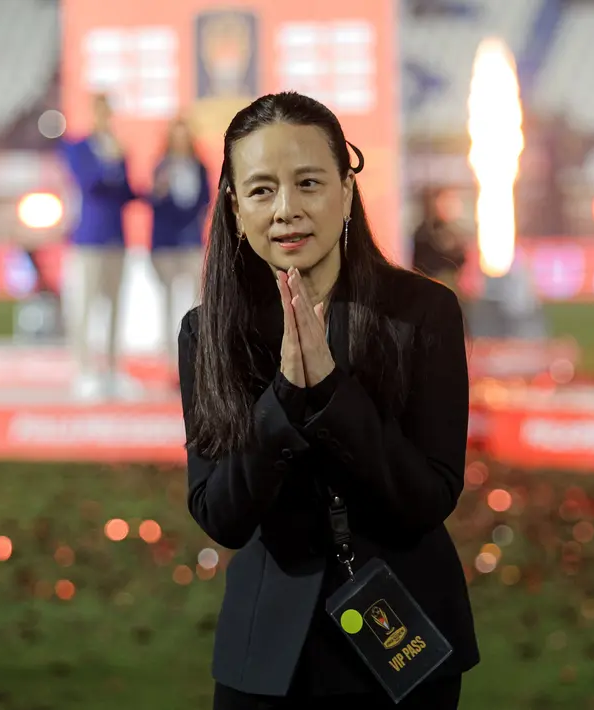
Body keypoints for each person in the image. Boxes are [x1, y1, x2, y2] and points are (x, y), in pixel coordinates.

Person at [178, 92, 478, 709]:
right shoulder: (208, 332)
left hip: (403, 635)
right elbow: (221, 515)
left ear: (346, 190)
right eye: (261, 190)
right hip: (266, 655)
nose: (286, 209)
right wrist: (285, 396)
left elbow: (427, 498)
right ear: (234, 207)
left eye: (308, 183)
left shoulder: (423, 314)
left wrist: (331, 394)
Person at [60, 94, 138, 399]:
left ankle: (113, 369)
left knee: (115, 305)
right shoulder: (78, 147)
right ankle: (83, 370)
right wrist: (110, 162)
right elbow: (87, 183)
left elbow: (125, 192)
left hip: (116, 237)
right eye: (100, 111)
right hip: (89, 238)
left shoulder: (117, 147)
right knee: (85, 305)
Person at [150, 117, 211, 363]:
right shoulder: (161, 167)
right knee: (167, 298)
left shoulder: (199, 167)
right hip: (166, 243)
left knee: (195, 297)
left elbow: (205, 201)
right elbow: (154, 202)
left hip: (191, 241)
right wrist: (159, 191)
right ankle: (169, 353)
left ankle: (195, 349)